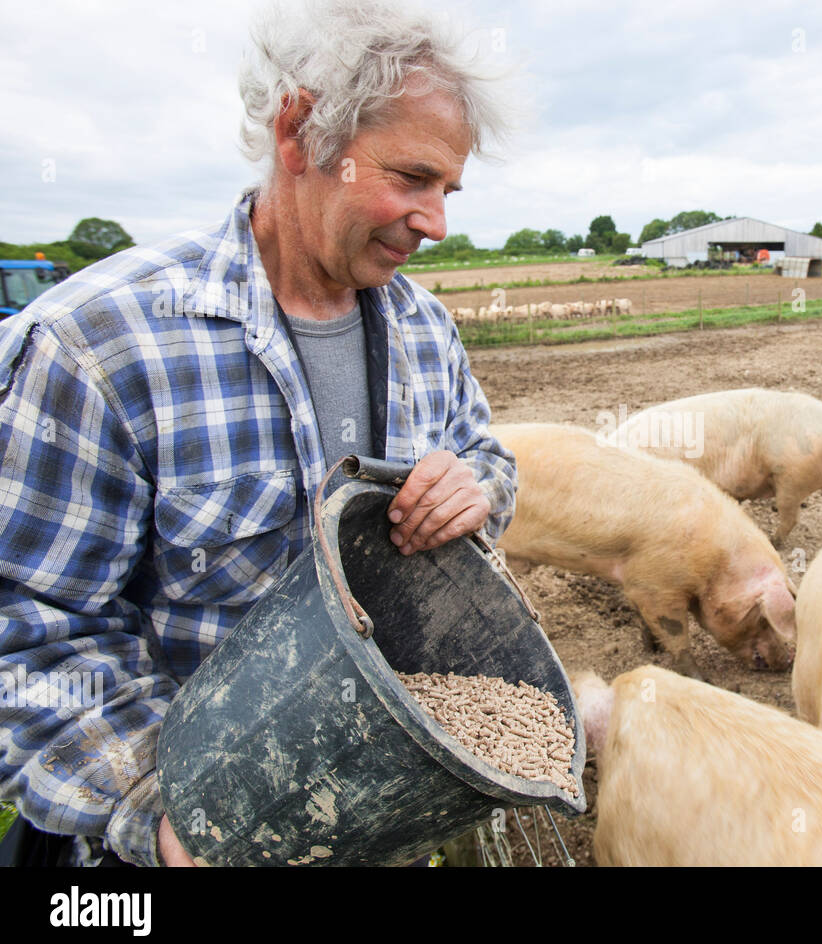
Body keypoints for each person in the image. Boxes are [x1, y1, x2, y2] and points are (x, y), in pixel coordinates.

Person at [0, 0, 517, 866]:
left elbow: (484, 458)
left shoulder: (425, 332)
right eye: (411, 177)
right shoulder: (99, 346)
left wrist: (476, 491)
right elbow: (28, 625)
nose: (436, 222)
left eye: (447, 190)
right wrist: (170, 815)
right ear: (302, 130)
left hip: (371, 821)